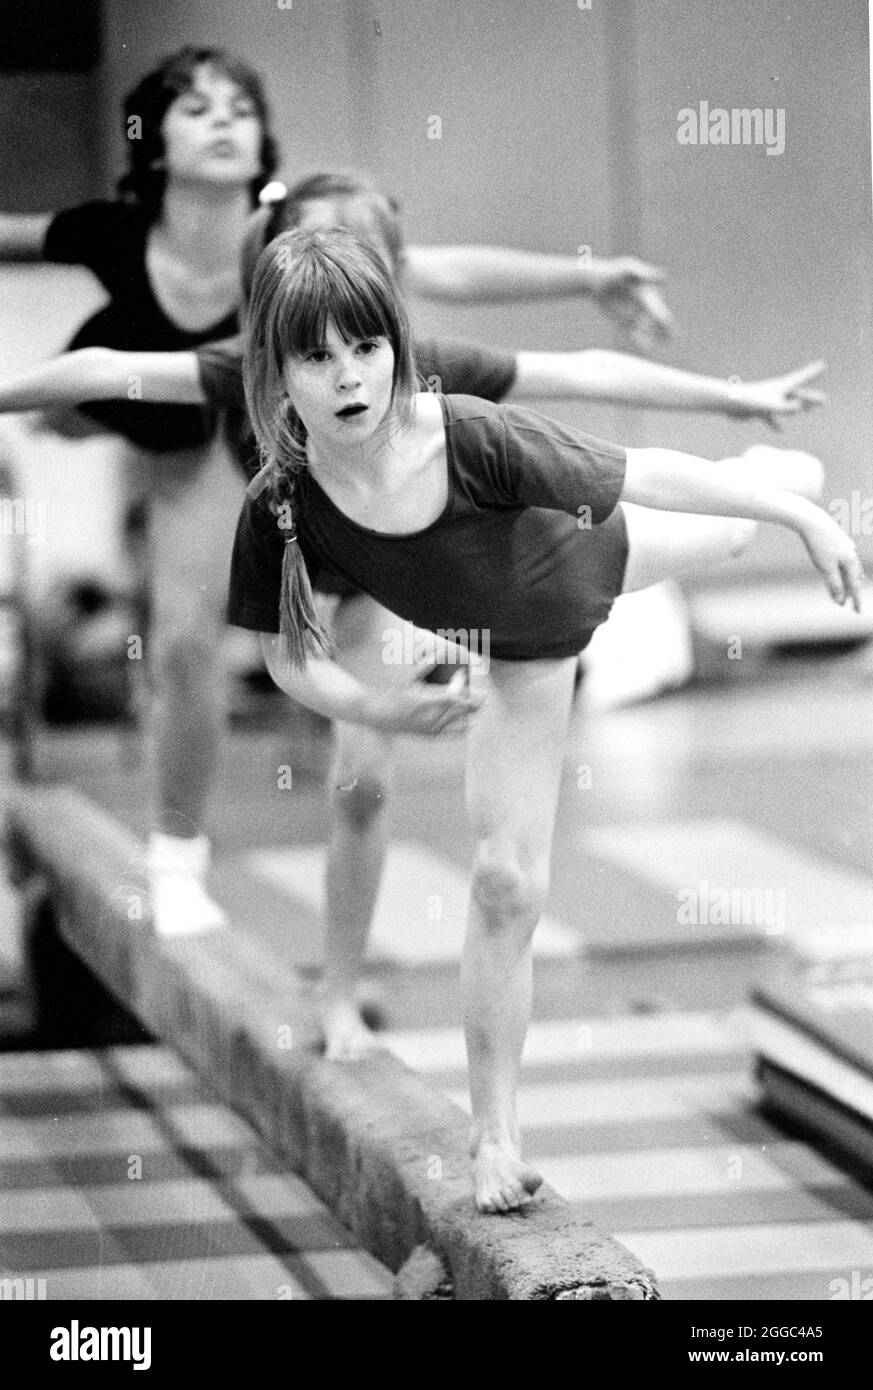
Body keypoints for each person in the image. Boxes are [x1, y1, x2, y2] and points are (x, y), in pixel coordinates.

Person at [0, 172, 829, 964]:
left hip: (384, 580)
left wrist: (729, 396)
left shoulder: (421, 368)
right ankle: (258, 919)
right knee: (253, 688)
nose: (342, 364)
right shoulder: (248, 360)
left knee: (359, 784)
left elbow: (576, 366)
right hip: (303, 558)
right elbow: (108, 369)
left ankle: (338, 992)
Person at [229, 226, 863, 1213]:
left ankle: (772, 484)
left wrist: (810, 522)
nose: (349, 376)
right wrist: (378, 707)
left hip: (596, 555)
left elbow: (641, 469)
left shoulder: (470, 436)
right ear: (273, 367)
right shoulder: (284, 504)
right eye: (317, 356)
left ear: (397, 344)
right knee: (503, 882)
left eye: (366, 347)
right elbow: (284, 657)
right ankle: (497, 1139)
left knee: (735, 523)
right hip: (528, 658)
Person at [0, 49, 678, 934]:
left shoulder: (291, 227)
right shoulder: (114, 232)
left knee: (297, 669)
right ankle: (177, 853)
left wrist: (587, 277)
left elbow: (434, 269)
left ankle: (296, 880)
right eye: (197, 108)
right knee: (179, 638)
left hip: (269, 415)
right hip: (167, 410)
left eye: (239, 107)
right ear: (155, 144)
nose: (222, 121)